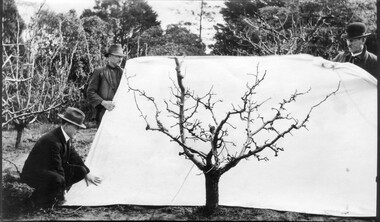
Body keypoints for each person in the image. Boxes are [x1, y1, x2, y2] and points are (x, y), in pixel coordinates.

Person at [20, 107, 101, 207]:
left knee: (81, 170)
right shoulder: (52, 140)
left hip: (49, 171)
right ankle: (44, 198)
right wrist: (63, 193)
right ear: (66, 125)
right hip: (33, 177)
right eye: (76, 127)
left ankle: (55, 191)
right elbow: (57, 168)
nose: (78, 130)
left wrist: (87, 172)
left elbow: (74, 156)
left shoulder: (66, 136)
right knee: (58, 179)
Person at [86, 44, 127, 128]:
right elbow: (90, 92)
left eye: (121, 57)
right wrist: (103, 102)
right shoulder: (99, 72)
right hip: (103, 112)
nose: (120, 59)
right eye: (117, 56)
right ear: (110, 56)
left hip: (121, 113)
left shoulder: (125, 74)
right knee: (104, 139)